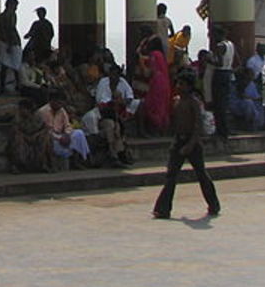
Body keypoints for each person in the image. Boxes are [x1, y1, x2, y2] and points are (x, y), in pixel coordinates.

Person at [152, 71, 221, 219]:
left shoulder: (193, 102)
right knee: (171, 175)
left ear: (189, 86)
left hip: (192, 142)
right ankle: (163, 208)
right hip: (179, 140)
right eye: (178, 83)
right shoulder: (177, 101)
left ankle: (214, 204)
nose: (179, 86)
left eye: (182, 84)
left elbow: (198, 125)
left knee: (201, 174)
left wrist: (191, 144)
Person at [95, 64, 136, 166]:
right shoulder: (103, 83)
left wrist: (121, 102)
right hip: (103, 115)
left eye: (115, 75)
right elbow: (100, 103)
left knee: (117, 128)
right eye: (111, 75)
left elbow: (130, 97)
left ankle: (120, 154)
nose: (113, 77)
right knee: (110, 126)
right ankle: (113, 155)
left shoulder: (123, 83)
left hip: (117, 114)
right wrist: (113, 103)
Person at [37, 90, 90, 167]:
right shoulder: (42, 112)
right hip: (50, 138)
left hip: (63, 135)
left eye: (61, 103)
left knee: (79, 133)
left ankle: (79, 160)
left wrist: (67, 134)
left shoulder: (61, 110)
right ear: (52, 101)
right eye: (58, 102)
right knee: (49, 139)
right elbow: (45, 130)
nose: (60, 105)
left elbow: (67, 125)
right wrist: (59, 137)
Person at [7, 98, 52, 173]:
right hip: (23, 138)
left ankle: (44, 164)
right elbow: (15, 130)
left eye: (23, 109)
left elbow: (44, 129)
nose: (21, 111)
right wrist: (25, 137)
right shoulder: (18, 118)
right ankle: (17, 166)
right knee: (17, 139)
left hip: (36, 137)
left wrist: (36, 135)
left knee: (46, 138)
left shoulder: (38, 116)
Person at [138, 35, 171, 135]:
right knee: (162, 106)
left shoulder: (154, 55)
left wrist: (141, 63)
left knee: (152, 106)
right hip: (164, 83)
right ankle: (163, 130)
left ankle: (153, 130)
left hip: (157, 83)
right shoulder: (161, 55)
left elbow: (148, 72)